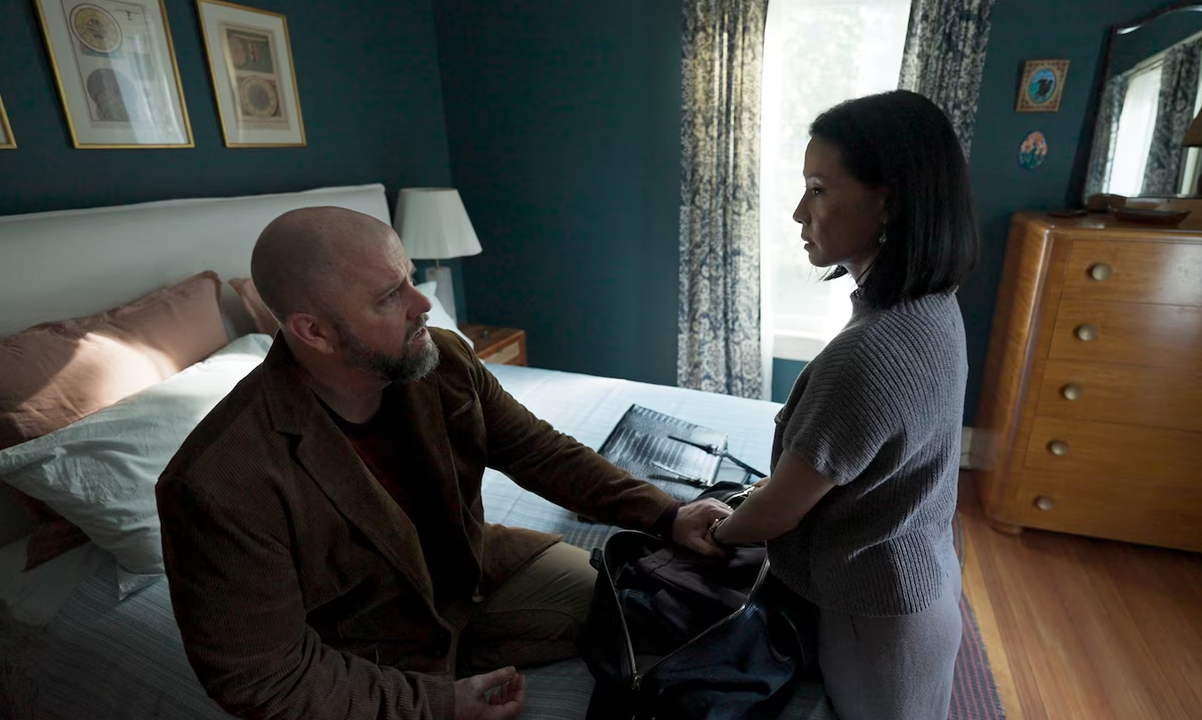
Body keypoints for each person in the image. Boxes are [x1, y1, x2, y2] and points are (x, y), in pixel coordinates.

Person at [156, 207, 730, 720]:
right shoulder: (216, 482)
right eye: (390, 296)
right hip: (367, 647)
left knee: (670, 611)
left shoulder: (443, 363)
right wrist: (437, 704)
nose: (423, 304)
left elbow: (540, 452)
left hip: (475, 572)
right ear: (315, 331)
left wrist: (667, 514)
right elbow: (265, 678)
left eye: (409, 277)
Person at [705, 90, 978, 720]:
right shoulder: (935, 306)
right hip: (922, 583)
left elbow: (777, 513)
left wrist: (714, 529)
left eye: (819, 190)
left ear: (889, 200)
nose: (799, 212)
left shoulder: (868, 353)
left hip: (877, 624)